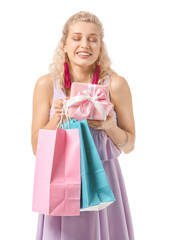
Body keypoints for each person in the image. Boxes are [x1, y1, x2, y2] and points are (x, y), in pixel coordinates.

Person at [31, 11, 135, 240]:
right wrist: (57, 117)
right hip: (60, 181)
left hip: (103, 181)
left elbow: (129, 145)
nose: (84, 44)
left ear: (100, 47)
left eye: (93, 38)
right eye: (77, 38)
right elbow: (37, 148)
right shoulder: (46, 85)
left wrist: (108, 126)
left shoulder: (115, 85)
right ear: (65, 45)